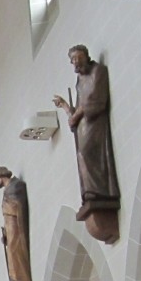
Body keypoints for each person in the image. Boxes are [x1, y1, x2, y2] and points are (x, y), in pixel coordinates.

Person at [52, 45, 120, 214]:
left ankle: (99, 191)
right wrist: (66, 107)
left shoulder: (98, 71)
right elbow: (78, 108)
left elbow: (93, 100)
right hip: (83, 124)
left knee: (87, 152)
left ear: (85, 56)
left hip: (94, 122)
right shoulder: (79, 80)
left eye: (78, 58)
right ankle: (90, 192)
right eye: (73, 60)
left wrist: (76, 115)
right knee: (81, 155)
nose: (75, 63)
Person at [0, 167, 32, 281]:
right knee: (11, 251)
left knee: (16, 248)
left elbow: (18, 205)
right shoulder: (7, 190)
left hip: (16, 223)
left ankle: (21, 277)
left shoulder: (16, 185)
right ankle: (15, 277)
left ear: (1, 175)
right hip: (10, 225)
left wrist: (8, 207)